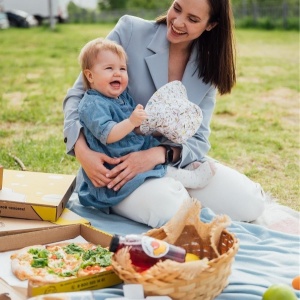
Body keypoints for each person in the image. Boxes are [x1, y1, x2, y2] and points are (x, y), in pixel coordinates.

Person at [63, 0, 266, 227]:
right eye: (177, 8)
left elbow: (198, 139)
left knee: (250, 203)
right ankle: (160, 197)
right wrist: (82, 151)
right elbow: (77, 96)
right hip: (118, 168)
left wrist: (157, 155)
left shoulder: (208, 66)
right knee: (170, 207)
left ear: (211, 25)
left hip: (171, 162)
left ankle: (177, 190)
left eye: (193, 19)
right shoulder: (130, 31)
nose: (178, 22)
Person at [77, 38, 216, 211]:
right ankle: (188, 179)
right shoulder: (92, 104)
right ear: (90, 75)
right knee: (156, 172)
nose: (117, 73)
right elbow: (109, 134)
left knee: (157, 155)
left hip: (134, 148)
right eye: (109, 68)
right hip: (117, 163)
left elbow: (134, 127)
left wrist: (147, 124)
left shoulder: (121, 96)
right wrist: (131, 122)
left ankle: (180, 174)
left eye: (122, 69)